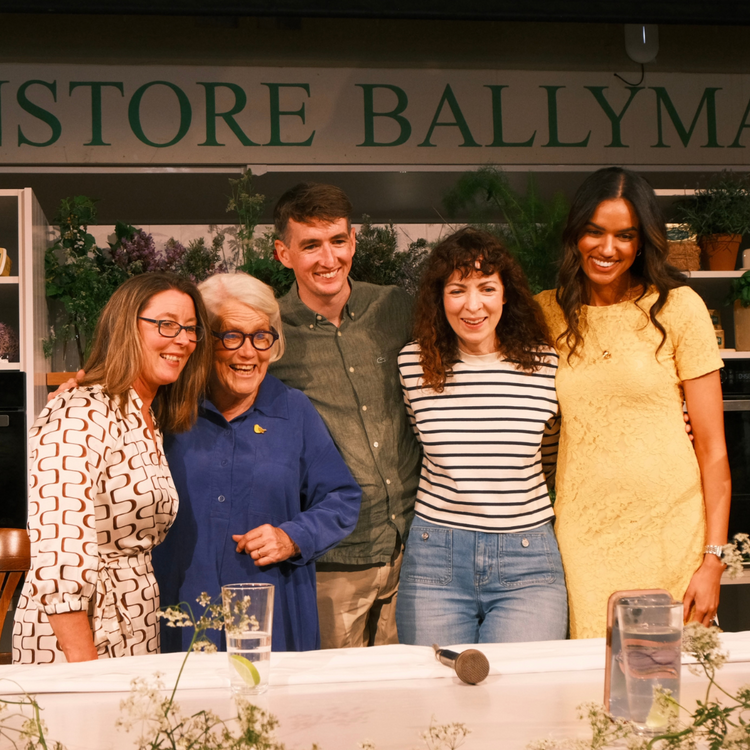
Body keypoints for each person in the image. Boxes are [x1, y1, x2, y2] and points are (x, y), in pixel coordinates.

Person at [536, 166, 731, 639]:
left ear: (642, 242)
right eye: (594, 232)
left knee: (674, 678)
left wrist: (713, 560)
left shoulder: (679, 308)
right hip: (583, 537)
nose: (608, 248)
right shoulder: (546, 313)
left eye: (624, 235)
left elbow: (713, 451)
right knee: (593, 676)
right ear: (575, 234)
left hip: (673, 531)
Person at [153, 271, 361, 652]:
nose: (249, 353)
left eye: (261, 336)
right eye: (232, 336)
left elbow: (342, 498)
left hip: (273, 617)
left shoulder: (293, 410)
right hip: (179, 612)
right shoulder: (166, 407)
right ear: (203, 341)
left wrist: (291, 538)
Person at [13, 273, 213, 664]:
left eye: (191, 328)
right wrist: (83, 665)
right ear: (125, 326)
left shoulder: (146, 415)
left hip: (134, 620)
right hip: (80, 634)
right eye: (167, 324)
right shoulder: (80, 410)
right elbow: (58, 546)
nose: (183, 339)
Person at [395, 227, 567, 645]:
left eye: (487, 288)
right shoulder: (413, 364)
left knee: (523, 684)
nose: (473, 305)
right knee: (436, 685)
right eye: (457, 290)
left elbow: (553, 455)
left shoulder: (546, 364)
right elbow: (420, 445)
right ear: (440, 298)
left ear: (506, 294)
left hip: (527, 558)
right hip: (436, 556)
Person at [269, 183, 421, 649]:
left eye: (338, 240)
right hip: (331, 561)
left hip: (415, 550)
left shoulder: (395, 307)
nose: (328, 258)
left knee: (411, 690)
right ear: (283, 253)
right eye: (310, 245)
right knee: (331, 692)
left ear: (353, 241)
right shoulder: (269, 330)